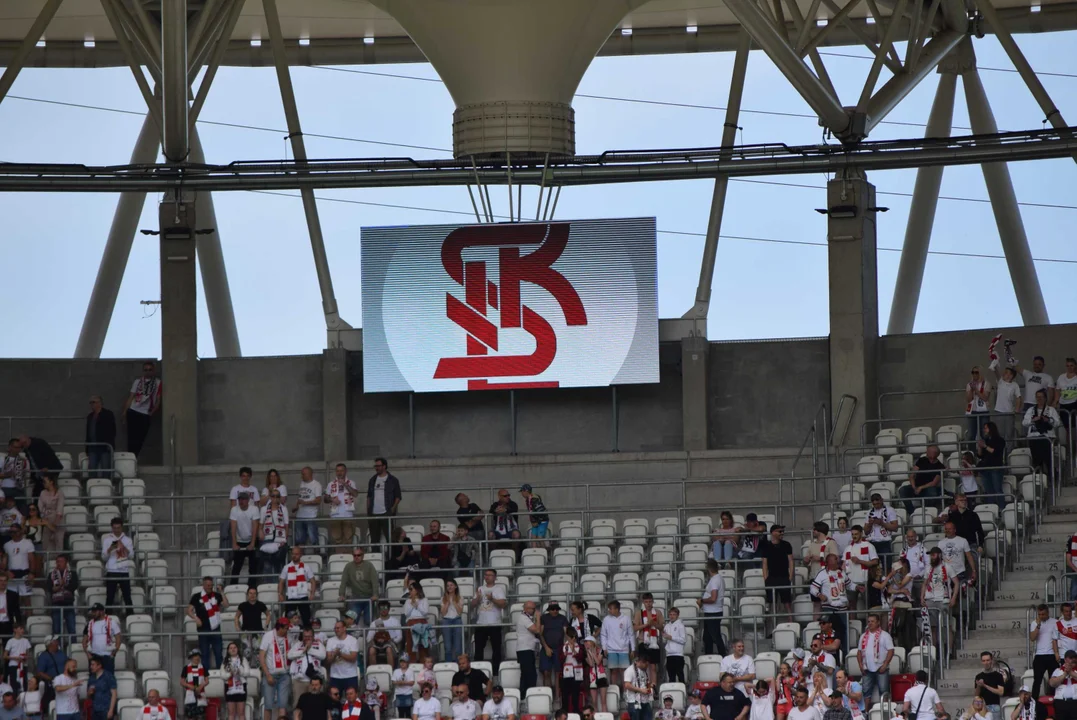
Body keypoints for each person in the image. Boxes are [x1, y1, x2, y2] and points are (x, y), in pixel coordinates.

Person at [810, 556, 849, 652]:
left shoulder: (842, 572)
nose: (838, 561)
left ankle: (844, 655)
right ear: (829, 562)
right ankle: (825, 654)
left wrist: (856, 587)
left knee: (843, 631)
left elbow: (849, 584)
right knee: (826, 630)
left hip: (842, 608)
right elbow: (813, 588)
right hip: (828, 608)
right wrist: (819, 595)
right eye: (836, 560)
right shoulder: (822, 574)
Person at [122, 360, 161, 457]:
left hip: (145, 414)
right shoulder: (138, 381)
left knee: (140, 439)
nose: (148, 371)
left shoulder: (158, 383)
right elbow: (131, 397)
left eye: (150, 370)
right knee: (131, 438)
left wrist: (151, 413)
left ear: (153, 371)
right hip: (133, 411)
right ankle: (131, 459)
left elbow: (158, 400)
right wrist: (124, 412)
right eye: (145, 370)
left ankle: (134, 457)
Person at [188, 576, 228, 670]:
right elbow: (189, 610)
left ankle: (220, 674)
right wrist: (196, 618)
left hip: (216, 629)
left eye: (211, 585)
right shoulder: (196, 596)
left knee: (218, 653)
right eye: (207, 585)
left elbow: (226, 604)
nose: (209, 587)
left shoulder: (217, 595)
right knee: (205, 654)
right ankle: (206, 676)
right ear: (203, 585)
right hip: (203, 630)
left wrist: (221, 592)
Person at [474, 570, 506, 674]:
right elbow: (472, 605)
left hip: (494, 623)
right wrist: (477, 599)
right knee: (478, 649)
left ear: (495, 577)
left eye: (489, 575)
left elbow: (503, 604)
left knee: (496, 649)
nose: (487, 577)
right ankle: (478, 671)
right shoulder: (480, 589)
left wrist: (492, 599)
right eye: (485, 574)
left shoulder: (498, 589)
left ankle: (496, 672)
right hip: (481, 623)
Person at [857, 614, 893, 707]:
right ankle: (866, 713)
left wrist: (885, 665)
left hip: (881, 668)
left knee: (883, 691)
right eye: (868, 621)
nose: (870, 623)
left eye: (872, 621)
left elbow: (891, 651)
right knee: (866, 691)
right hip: (867, 668)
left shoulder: (885, 635)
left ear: (878, 622)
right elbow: (859, 652)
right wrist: (860, 665)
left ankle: (884, 712)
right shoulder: (863, 636)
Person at [261, 618, 294, 720]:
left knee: (283, 704)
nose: (287, 630)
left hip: (285, 674)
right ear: (279, 627)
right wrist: (267, 675)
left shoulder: (289, 636)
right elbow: (261, 656)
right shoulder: (268, 636)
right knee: (268, 704)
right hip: (270, 674)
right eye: (285, 628)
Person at [1031, 604, 1060, 714]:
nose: (1041, 616)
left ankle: (1054, 701)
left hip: (1052, 655)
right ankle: (1033, 704)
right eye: (1039, 614)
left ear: (1048, 613)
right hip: (1039, 655)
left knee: (1053, 681)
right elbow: (1032, 638)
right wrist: (1038, 626)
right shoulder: (1034, 623)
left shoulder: (1055, 622)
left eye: (1043, 614)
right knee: (1037, 680)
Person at [1024, 390, 1061, 476]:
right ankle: (1039, 483)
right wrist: (1033, 420)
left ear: (1045, 398)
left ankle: (1052, 481)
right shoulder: (1031, 410)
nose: (1039, 399)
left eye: (1041, 397)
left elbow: (1057, 423)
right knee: (1037, 462)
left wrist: (1049, 420)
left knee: (1049, 461)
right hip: (1034, 438)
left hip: (1047, 438)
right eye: (1037, 397)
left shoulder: (1051, 410)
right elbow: (1024, 423)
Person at [101, 517, 133, 616]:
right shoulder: (107, 540)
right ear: (112, 528)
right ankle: (107, 618)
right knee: (109, 596)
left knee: (127, 596)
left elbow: (131, 556)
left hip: (124, 570)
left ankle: (130, 617)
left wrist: (123, 547)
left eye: (118, 528)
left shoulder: (127, 540)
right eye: (114, 528)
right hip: (112, 570)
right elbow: (104, 557)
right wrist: (110, 548)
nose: (116, 530)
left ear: (122, 527)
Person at [339, 547, 378, 627]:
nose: (356, 557)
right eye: (354, 555)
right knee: (351, 621)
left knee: (369, 621)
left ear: (363, 556)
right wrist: (341, 594)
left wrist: (375, 594)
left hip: (369, 598)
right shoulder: (348, 566)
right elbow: (343, 582)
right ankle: (353, 638)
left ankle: (368, 638)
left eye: (359, 555)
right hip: (355, 598)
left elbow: (375, 581)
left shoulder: (369, 565)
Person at [900, 445, 944, 515]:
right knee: (902, 490)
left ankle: (926, 512)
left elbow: (934, 483)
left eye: (928, 451)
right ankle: (912, 513)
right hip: (916, 486)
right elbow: (912, 475)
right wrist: (914, 487)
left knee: (932, 492)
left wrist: (920, 488)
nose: (926, 452)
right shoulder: (922, 460)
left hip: (928, 488)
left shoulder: (940, 466)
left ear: (935, 454)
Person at [762, 525, 795, 620]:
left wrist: (790, 577)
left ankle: (791, 625)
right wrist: (766, 578)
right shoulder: (767, 546)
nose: (782, 533)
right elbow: (764, 563)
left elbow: (791, 561)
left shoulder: (786, 545)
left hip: (784, 577)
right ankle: (773, 628)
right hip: (771, 578)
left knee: (787, 603)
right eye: (779, 531)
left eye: (782, 531)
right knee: (772, 604)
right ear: (773, 532)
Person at [366, 458, 401, 547]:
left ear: (384, 466)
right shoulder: (372, 480)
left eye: (378, 466)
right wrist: (368, 510)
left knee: (390, 538)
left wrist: (392, 509)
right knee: (374, 540)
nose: (376, 468)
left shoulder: (393, 480)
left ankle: (391, 559)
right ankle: (376, 558)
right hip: (373, 514)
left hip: (387, 513)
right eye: (375, 466)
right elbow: (369, 496)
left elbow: (398, 496)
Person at [600, 599, 634, 688]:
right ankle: (615, 691)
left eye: (611, 609)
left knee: (624, 671)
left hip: (623, 649)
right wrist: (604, 648)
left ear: (617, 609)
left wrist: (633, 649)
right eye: (609, 609)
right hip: (611, 649)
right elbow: (603, 634)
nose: (609, 611)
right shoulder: (606, 619)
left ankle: (626, 692)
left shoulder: (626, 618)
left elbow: (631, 634)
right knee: (613, 671)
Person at [280, 546, 317, 627]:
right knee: (288, 621)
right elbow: (281, 582)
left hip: (303, 596)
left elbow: (313, 581)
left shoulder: (306, 567)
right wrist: (280, 594)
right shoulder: (286, 568)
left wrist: (312, 593)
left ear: (300, 555)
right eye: (293, 554)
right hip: (290, 596)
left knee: (306, 620)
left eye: (296, 554)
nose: (294, 556)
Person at [288, 627, 326, 706]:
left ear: (313, 636)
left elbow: (323, 656)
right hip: (299, 681)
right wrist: (303, 651)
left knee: (315, 705)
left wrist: (309, 649)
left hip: (314, 681)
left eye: (309, 636)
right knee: (298, 705)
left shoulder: (319, 645)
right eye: (305, 636)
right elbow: (289, 655)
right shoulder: (297, 645)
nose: (307, 638)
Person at [229, 493, 261, 587]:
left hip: (252, 539)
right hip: (240, 540)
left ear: (248, 500)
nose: (241, 501)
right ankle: (233, 587)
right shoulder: (234, 510)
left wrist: (252, 543)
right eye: (240, 499)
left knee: (253, 567)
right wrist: (234, 543)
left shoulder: (254, 509)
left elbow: (255, 526)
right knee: (236, 566)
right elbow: (233, 527)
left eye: (243, 499)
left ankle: (252, 588)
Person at [633, 593, 663, 690]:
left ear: (653, 601)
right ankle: (643, 685)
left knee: (653, 667)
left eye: (650, 601)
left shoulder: (658, 612)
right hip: (643, 642)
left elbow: (662, 627)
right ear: (643, 602)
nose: (648, 604)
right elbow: (634, 628)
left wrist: (654, 623)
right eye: (646, 602)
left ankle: (653, 687)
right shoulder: (639, 613)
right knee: (643, 665)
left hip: (654, 642)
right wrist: (646, 625)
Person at [324, 464, 359, 550]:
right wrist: (332, 499)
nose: (339, 473)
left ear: (345, 471)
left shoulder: (351, 482)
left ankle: (347, 558)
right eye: (337, 471)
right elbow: (325, 499)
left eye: (341, 470)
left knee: (348, 538)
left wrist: (345, 484)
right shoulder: (330, 484)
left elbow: (355, 494)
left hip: (348, 515)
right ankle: (339, 559)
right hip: (335, 515)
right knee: (337, 539)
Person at [289, 467, 322, 550]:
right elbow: (300, 497)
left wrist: (305, 503)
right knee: (299, 538)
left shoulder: (316, 485)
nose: (302, 476)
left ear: (309, 474)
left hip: (311, 516)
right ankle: (300, 555)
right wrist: (296, 506)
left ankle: (317, 554)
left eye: (303, 474)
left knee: (313, 537)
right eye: (302, 474)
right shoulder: (302, 483)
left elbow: (318, 500)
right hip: (300, 515)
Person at [700, 559, 728, 655]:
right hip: (712, 611)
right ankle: (708, 656)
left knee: (715, 637)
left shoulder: (715, 580)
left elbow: (713, 598)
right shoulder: (718, 578)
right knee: (707, 637)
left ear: (708, 569)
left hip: (713, 612)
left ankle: (724, 656)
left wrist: (702, 600)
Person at [325, 619, 360, 697]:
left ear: (344, 628)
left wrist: (340, 654)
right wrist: (334, 655)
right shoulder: (330, 641)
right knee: (334, 700)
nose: (336, 630)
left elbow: (353, 658)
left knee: (352, 700)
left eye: (338, 628)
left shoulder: (352, 640)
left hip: (350, 675)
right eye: (335, 628)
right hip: (335, 676)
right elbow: (328, 660)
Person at [261, 488, 290, 577]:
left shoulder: (284, 509)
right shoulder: (263, 509)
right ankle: (268, 584)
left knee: (279, 562)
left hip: (280, 538)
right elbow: (260, 525)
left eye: (277, 496)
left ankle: (279, 583)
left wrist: (285, 539)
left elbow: (286, 526)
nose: (275, 498)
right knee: (267, 564)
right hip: (267, 537)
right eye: (273, 496)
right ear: (270, 497)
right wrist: (260, 534)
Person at [85, 396, 116, 480]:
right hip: (92, 447)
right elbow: (88, 432)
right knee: (92, 469)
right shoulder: (90, 416)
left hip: (104, 447)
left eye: (93, 402)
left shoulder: (108, 414)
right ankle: (92, 486)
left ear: (99, 403)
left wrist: (109, 445)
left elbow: (112, 431)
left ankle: (106, 487)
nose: (91, 404)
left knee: (106, 469)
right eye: (90, 402)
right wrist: (87, 448)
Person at [3, 525, 34, 610]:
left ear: (20, 531)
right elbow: (4, 562)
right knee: (12, 600)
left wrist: (31, 573)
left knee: (27, 599)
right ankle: (15, 621)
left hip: (25, 574)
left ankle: (28, 621)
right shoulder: (6, 545)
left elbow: (31, 559)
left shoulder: (28, 543)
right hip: (11, 574)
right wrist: (6, 571)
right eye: (11, 532)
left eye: (15, 531)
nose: (13, 534)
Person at [82, 603, 120, 673]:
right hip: (94, 656)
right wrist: (88, 655)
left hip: (107, 656)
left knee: (108, 678)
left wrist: (113, 653)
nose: (93, 613)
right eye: (92, 611)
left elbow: (118, 638)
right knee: (94, 679)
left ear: (102, 611)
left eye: (95, 611)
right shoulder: (90, 624)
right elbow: (84, 641)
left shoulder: (112, 622)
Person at [977, 422, 1007, 507]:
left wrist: (985, 446)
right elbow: (980, 455)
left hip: (995, 467)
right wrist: (980, 446)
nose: (984, 430)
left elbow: (996, 452)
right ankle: (990, 508)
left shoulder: (1000, 440)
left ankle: (1001, 508)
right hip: (985, 467)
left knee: (998, 489)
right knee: (988, 490)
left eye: (986, 428)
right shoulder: (986, 440)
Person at [864, 495, 898, 570]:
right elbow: (866, 532)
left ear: (882, 500)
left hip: (884, 542)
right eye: (874, 504)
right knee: (872, 569)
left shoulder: (890, 510)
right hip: (872, 542)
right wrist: (870, 524)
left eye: (878, 503)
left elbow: (895, 527)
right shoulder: (869, 512)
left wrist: (881, 523)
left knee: (887, 567)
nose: (876, 506)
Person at [938, 520, 977, 585]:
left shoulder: (963, 541)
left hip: (960, 572)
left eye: (949, 529)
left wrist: (974, 571)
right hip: (946, 573)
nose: (947, 530)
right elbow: (938, 558)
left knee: (960, 593)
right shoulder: (940, 543)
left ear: (955, 530)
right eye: (946, 529)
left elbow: (969, 556)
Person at [991, 366, 1023, 441]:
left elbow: (1018, 397)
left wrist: (1017, 408)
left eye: (1008, 373)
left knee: (1009, 434)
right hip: (999, 412)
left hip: (1009, 413)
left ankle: (1009, 452)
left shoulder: (1015, 385)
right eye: (1005, 373)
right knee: (1000, 433)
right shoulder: (1000, 381)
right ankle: (1002, 452)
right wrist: (995, 364)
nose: (1006, 374)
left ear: (1012, 375)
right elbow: (996, 373)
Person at [515, 601, 540, 696]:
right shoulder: (524, 618)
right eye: (532, 608)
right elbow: (537, 630)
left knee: (526, 675)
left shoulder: (526, 618)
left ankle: (524, 695)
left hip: (526, 649)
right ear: (525, 608)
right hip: (525, 650)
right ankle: (529, 695)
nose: (534, 610)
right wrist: (538, 618)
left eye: (534, 608)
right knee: (530, 675)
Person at [402, 581, 431, 661]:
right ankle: (412, 663)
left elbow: (425, 612)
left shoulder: (424, 600)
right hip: (411, 622)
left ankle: (423, 663)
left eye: (411, 589)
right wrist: (412, 603)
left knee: (423, 644)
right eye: (409, 589)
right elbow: (406, 614)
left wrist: (417, 604)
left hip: (422, 622)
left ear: (417, 590)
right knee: (410, 645)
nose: (410, 591)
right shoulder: (408, 601)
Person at [366, 602, 402, 667]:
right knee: (371, 651)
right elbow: (368, 638)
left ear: (389, 609)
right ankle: (373, 673)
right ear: (379, 610)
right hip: (377, 644)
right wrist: (377, 640)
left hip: (390, 643)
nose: (383, 610)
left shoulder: (395, 621)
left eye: (385, 608)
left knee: (389, 649)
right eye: (381, 609)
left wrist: (391, 641)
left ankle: (390, 672)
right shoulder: (374, 623)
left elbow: (399, 636)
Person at [35, 475, 64, 554]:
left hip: (58, 520)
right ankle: (46, 561)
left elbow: (60, 508)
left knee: (59, 542)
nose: (43, 483)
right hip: (46, 519)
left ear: (51, 482)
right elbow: (40, 507)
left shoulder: (59, 492)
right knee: (46, 543)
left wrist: (55, 523)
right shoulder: (42, 493)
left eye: (45, 481)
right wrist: (45, 518)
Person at [222, 642, 250, 720]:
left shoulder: (243, 659)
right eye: (231, 648)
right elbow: (222, 675)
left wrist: (240, 672)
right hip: (229, 686)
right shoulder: (225, 661)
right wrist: (229, 674)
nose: (233, 649)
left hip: (241, 686)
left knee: (241, 713)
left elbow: (247, 672)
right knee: (231, 713)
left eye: (235, 647)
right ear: (228, 650)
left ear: (237, 649)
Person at [975, 651, 1006, 720]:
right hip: (982, 707)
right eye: (983, 661)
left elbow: (1001, 692)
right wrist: (979, 686)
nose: (986, 663)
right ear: (981, 662)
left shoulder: (998, 676)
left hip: (995, 707)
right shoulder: (978, 676)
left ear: (991, 660)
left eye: (988, 660)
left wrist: (985, 685)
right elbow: (976, 695)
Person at [86, 655, 117, 720]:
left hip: (106, 710)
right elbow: (88, 696)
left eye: (93, 665)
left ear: (99, 666)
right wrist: (89, 692)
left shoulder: (108, 676)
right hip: (94, 710)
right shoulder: (91, 678)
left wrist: (111, 710)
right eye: (91, 665)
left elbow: (114, 694)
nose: (91, 667)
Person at [561, 627, 585, 713]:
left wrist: (574, 649)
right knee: (565, 695)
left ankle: (576, 711)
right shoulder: (563, 646)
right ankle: (565, 711)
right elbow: (561, 660)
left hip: (576, 674)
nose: (573, 639)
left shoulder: (579, 647)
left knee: (575, 694)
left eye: (574, 637)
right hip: (567, 674)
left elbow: (580, 659)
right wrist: (565, 653)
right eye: (571, 637)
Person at [966, 366, 993, 441]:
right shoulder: (969, 384)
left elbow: (985, 398)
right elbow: (969, 400)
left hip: (983, 411)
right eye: (973, 372)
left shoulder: (987, 384)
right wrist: (971, 390)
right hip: (972, 411)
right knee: (971, 435)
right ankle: (972, 452)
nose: (974, 374)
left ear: (980, 373)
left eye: (976, 372)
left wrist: (976, 390)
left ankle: (986, 451)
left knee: (985, 435)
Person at [181, 649, 209, 719]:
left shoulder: (203, 667)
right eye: (195, 656)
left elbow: (207, 680)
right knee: (191, 715)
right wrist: (190, 686)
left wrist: (201, 686)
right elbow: (182, 681)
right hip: (190, 692)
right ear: (191, 657)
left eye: (198, 656)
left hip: (200, 692)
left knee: (201, 715)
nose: (197, 658)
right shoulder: (186, 668)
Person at [624, 655, 654, 720]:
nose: (647, 666)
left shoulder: (644, 670)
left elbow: (645, 681)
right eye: (646, 665)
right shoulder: (630, 670)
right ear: (640, 662)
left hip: (645, 701)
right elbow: (627, 685)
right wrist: (641, 690)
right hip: (634, 701)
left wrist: (650, 686)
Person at [583, 637, 608, 712]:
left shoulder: (600, 650)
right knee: (594, 703)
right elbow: (591, 664)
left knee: (603, 702)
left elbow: (597, 662)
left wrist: (593, 653)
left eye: (588, 641)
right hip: (592, 677)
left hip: (601, 676)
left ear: (592, 642)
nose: (586, 643)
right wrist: (588, 652)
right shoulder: (585, 653)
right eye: (585, 642)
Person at [663, 606, 687, 684]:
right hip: (669, 655)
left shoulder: (681, 625)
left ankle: (682, 693)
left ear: (677, 615)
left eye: (674, 614)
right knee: (671, 677)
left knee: (680, 676)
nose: (672, 616)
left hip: (678, 655)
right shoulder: (667, 626)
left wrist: (671, 637)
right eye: (670, 614)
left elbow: (683, 640)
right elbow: (665, 640)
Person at [3, 623, 29, 694]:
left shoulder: (26, 641)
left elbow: (28, 655)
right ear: (15, 630)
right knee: (13, 684)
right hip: (13, 665)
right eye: (20, 628)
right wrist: (15, 658)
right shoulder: (10, 641)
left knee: (24, 684)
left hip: (23, 666)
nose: (22, 630)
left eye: (23, 629)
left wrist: (24, 657)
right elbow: (5, 656)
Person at [392, 654, 417, 720]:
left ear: (407, 663)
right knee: (401, 713)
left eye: (404, 662)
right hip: (399, 694)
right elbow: (393, 682)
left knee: (408, 712)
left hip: (408, 694)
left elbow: (412, 682)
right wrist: (399, 683)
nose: (402, 663)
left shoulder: (410, 671)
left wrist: (403, 683)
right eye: (401, 662)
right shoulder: (396, 671)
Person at [1057, 358, 1077, 436]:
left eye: (1071, 365)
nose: (1070, 367)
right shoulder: (1061, 377)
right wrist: (1055, 402)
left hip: (1075, 402)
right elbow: (1058, 391)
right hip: (1064, 403)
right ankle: (1070, 445)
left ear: (1075, 366)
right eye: (1068, 366)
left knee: (1074, 425)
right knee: (1067, 428)